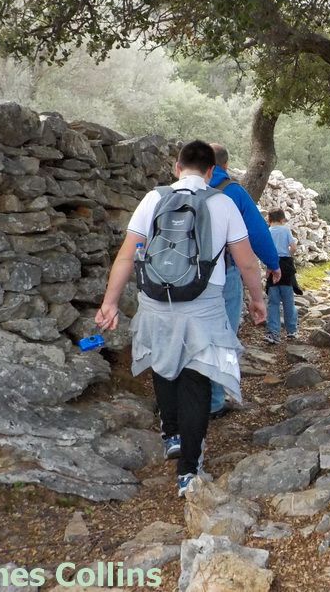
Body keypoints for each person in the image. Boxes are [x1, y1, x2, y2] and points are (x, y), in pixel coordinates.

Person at [95, 140, 266, 497]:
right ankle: (189, 469)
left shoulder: (153, 199)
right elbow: (247, 260)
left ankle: (171, 433)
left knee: (163, 363)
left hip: (156, 302)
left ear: (176, 167)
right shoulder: (223, 203)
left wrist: (109, 302)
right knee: (196, 380)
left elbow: (127, 256)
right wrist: (257, 298)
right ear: (210, 171)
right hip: (203, 305)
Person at [207, 142, 280, 418]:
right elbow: (257, 233)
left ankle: (179, 399)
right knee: (221, 334)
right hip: (222, 275)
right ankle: (214, 400)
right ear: (224, 166)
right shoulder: (232, 192)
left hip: (179, 278)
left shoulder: (177, 191)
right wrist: (273, 264)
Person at [265, 208, 299, 344]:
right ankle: (292, 330)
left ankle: (274, 333)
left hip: (272, 264)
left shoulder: (267, 232)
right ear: (282, 219)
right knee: (288, 300)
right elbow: (294, 247)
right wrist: (287, 254)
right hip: (286, 265)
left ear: (269, 219)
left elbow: (265, 249)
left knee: (273, 302)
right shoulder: (286, 230)